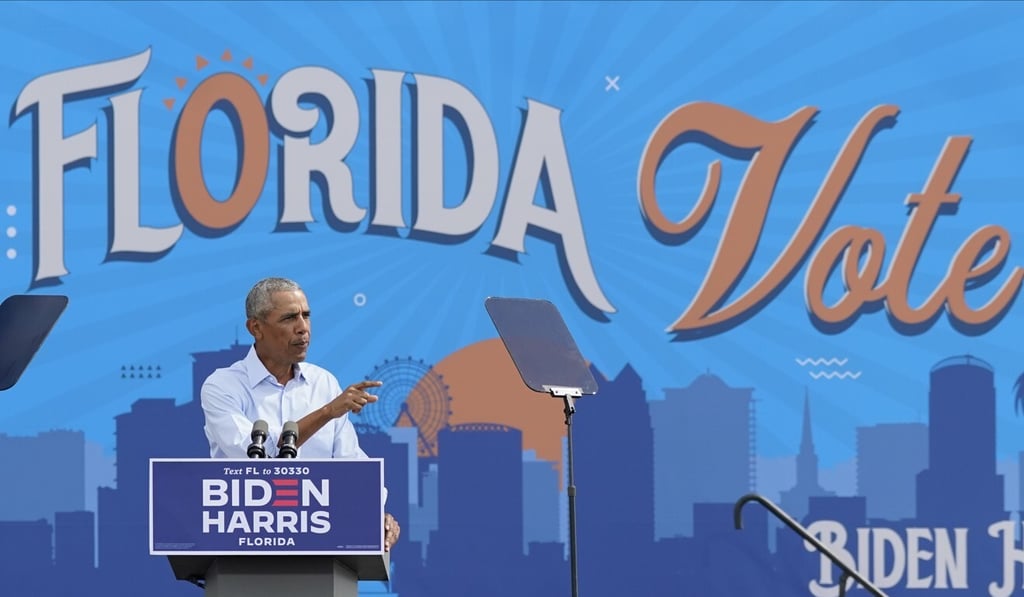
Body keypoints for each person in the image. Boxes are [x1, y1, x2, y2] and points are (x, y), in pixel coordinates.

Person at [201, 276, 401, 550]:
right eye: (289, 318)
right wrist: (328, 412)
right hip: (245, 543)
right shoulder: (222, 385)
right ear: (255, 327)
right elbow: (254, 456)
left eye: (306, 316)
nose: (303, 328)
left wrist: (375, 515)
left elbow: (353, 466)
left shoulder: (324, 383)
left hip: (322, 547)